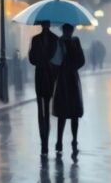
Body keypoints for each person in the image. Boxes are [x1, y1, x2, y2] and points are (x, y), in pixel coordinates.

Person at [52, 23, 85, 160]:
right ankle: (60, 140)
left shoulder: (75, 41)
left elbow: (82, 60)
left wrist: (72, 67)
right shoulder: (60, 42)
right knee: (63, 112)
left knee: (72, 112)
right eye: (67, 30)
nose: (69, 32)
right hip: (65, 79)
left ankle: (73, 139)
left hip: (68, 78)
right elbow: (55, 60)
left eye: (70, 30)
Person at [29, 21, 58, 157]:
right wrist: (42, 61)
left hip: (50, 77)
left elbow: (58, 60)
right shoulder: (35, 40)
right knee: (41, 110)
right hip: (40, 76)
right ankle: (43, 141)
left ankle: (45, 139)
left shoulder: (55, 40)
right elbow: (31, 59)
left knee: (46, 108)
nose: (45, 26)